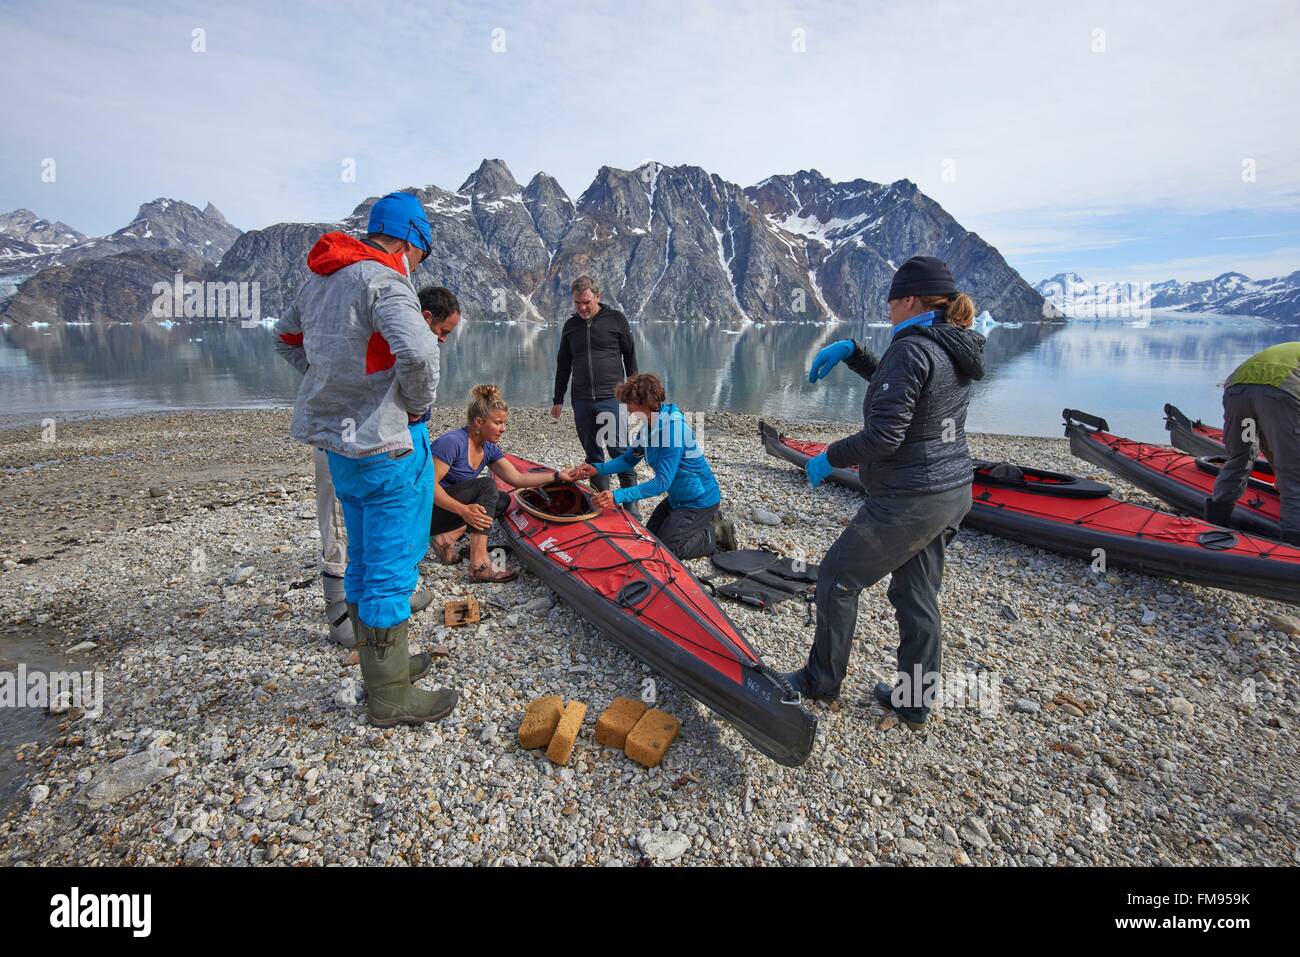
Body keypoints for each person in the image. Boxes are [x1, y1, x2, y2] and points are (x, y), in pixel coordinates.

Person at [273, 190, 458, 728]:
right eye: (421, 252)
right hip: (386, 447)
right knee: (391, 565)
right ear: (410, 240)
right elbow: (421, 351)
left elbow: (286, 340)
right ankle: (390, 697)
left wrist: (333, 385)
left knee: (361, 559)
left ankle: (389, 670)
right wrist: (416, 406)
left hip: (340, 448)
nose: (419, 262)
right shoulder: (384, 280)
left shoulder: (322, 280)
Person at [782, 256, 985, 730]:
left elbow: (885, 437)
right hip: (952, 491)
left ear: (910, 298)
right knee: (916, 593)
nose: (888, 306)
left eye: (891, 298)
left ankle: (820, 681)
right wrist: (856, 352)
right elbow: (909, 393)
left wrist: (828, 456)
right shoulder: (950, 344)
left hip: (910, 499)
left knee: (837, 577)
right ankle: (914, 701)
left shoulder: (912, 348)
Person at [300, 285, 462, 647]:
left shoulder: (381, 332)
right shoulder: (381, 336)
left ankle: (383, 613)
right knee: (343, 531)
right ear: (425, 319)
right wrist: (416, 409)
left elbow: (288, 339)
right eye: (443, 332)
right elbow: (289, 339)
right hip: (349, 445)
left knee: (378, 532)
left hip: (367, 442)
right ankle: (345, 619)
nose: (444, 341)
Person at [571, 373, 737, 559]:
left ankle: (714, 534)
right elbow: (629, 459)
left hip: (698, 500)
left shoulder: (673, 430)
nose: (627, 409)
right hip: (677, 498)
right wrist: (598, 468)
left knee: (667, 552)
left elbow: (661, 483)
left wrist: (616, 496)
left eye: (629, 403)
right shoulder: (649, 425)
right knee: (648, 540)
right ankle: (700, 525)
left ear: (645, 403)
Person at [429, 384, 572, 581]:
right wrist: (463, 510)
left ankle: (447, 538)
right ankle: (479, 565)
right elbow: (427, 487)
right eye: (498, 423)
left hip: (447, 513)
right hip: (425, 515)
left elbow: (518, 479)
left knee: (502, 499)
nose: (503, 429)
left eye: (504, 423)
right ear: (479, 422)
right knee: (487, 486)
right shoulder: (452, 442)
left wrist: (558, 476)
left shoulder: (488, 447)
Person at [550, 275, 640, 516]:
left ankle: (631, 505)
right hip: (581, 400)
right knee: (592, 455)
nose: (582, 307)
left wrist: (635, 396)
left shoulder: (616, 320)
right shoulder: (570, 327)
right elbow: (563, 365)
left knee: (619, 451)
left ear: (597, 297)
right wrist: (558, 399)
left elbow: (630, 357)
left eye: (587, 302)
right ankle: (601, 504)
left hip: (611, 397)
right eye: (578, 303)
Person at [1205, 341, 1300, 545]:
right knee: (1293, 471)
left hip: (1238, 392)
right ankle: (1293, 545)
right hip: (1279, 394)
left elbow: (1269, 437)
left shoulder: (1290, 349)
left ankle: (1215, 522)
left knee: (1240, 456)